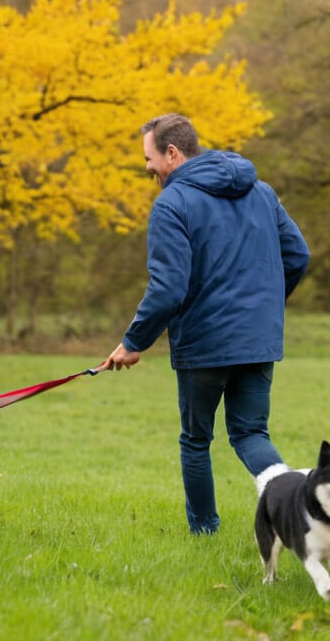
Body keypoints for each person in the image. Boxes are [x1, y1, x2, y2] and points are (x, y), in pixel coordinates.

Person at [100, 113, 310, 535]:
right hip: (257, 339)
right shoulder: (262, 192)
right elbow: (297, 256)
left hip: (205, 343)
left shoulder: (172, 204)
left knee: (196, 440)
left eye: (149, 158)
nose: (148, 168)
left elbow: (168, 288)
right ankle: (300, 507)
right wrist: (261, 307)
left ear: (172, 153)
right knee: (250, 433)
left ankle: (204, 532)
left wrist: (132, 342)